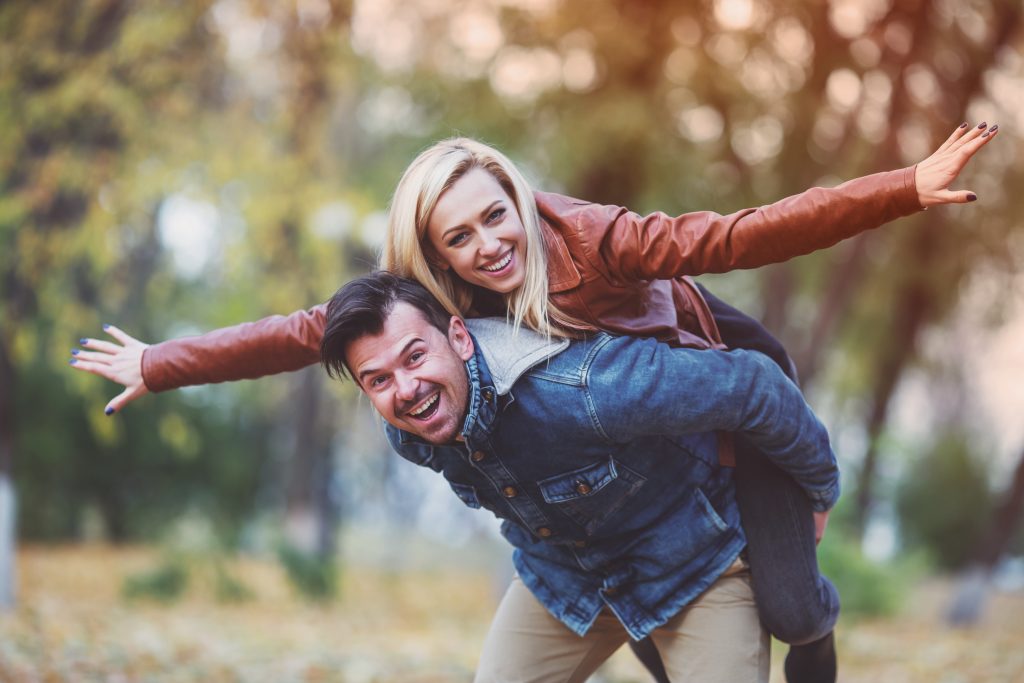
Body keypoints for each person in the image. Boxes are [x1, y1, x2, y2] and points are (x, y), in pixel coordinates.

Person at [70, 121, 997, 682]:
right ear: (434, 257)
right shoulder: (423, 316)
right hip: (604, 503)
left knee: (790, 604)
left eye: (495, 215)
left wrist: (901, 189)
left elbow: (738, 236)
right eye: (458, 237)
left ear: (517, 198)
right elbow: (295, 332)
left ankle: (816, 634)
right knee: (638, 613)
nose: (488, 245)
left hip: (715, 405)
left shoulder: (600, 242)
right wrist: (160, 362)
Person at [321, 270, 839, 681]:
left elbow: (752, 386)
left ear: (459, 336)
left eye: (415, 357)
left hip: (695, 565)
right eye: (378, 380)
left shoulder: (587, 387)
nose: (406, 388)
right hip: (566, 574)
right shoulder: (410, 430)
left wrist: (819, 493)